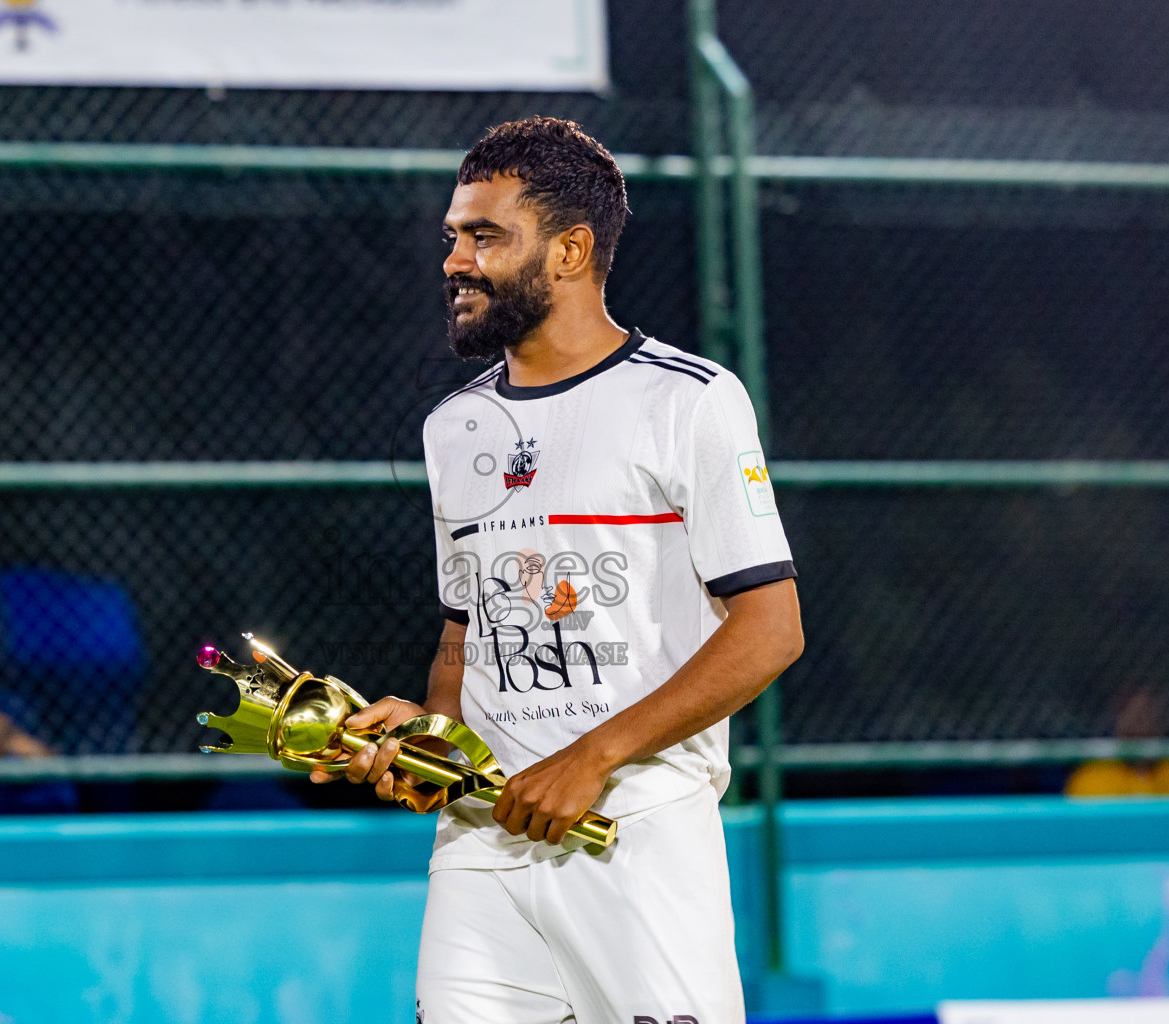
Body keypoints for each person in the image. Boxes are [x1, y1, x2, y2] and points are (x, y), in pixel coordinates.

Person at [312, 117, 803, 1024]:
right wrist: (434, 734)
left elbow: (772, 629)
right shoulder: (452, 427)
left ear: (572, 250)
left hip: (633, 829)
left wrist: (594, 756)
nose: (457, 260)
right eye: (454, 236)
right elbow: (467, 628)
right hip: (481, 838)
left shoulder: (688, 400)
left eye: (486, 236)